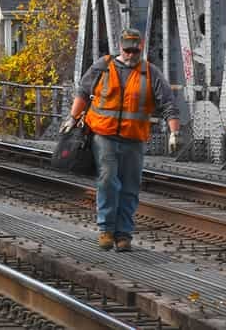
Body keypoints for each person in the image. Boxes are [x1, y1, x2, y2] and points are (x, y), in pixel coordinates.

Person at [62, 28, 180, 251]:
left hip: (133, 139)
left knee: (130, 186)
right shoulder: (103, 66)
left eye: (135, 50)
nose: (130, 54)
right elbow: (83, 91)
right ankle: (106, 230)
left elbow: (168, 103)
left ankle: (123, 234)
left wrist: (174, 132)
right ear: (120, 47)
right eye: (127, 50)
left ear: (141, 48)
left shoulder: (150, 73)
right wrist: (72, 118)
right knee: (108, 180)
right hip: (103, 135)